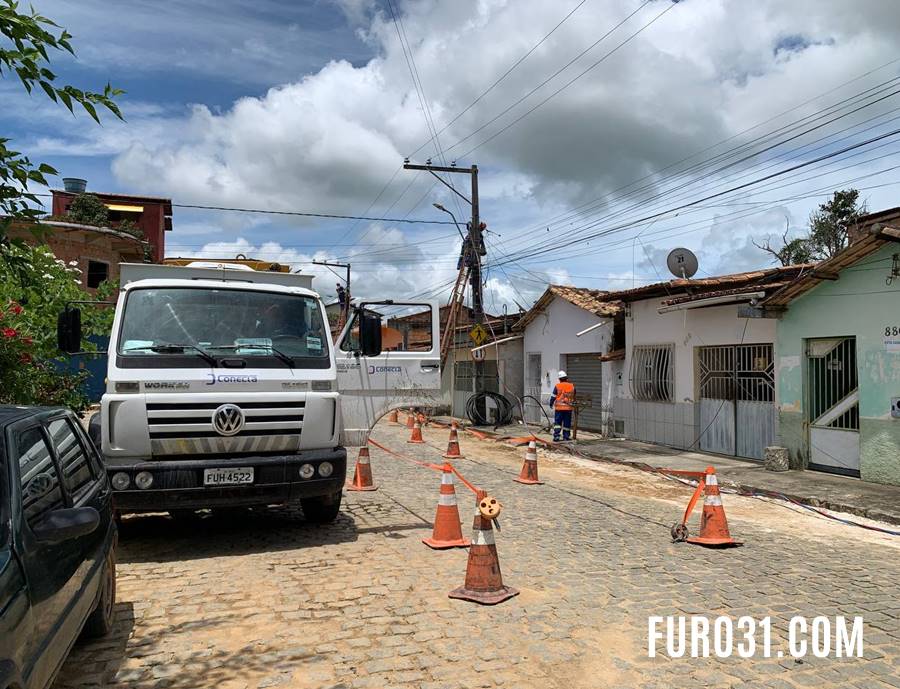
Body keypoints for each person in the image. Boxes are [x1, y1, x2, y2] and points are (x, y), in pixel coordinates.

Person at [549, 370, 575, 442]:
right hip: (568, 408)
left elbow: (553, 396)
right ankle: (566, 437)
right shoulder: (571, 386)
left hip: (559, 408)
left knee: (558, 423)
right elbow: (574, 395)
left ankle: (556, 436)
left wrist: (551, 404)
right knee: (567, 423)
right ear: (566, 378)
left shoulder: (557, 386)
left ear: (559, 379)